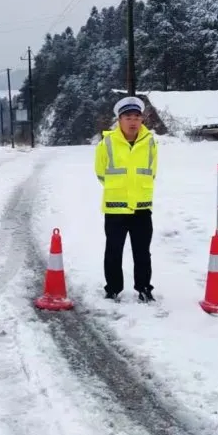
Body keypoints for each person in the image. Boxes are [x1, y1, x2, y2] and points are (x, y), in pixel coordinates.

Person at [94, 95, 158, 303]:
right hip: (115, 208)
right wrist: (119, 189)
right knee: (113, 251)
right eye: (128, 117)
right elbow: (101, 172)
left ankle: (144, 288)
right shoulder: (107, 143)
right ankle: (113, 288)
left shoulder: (150, 142)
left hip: (141, 207)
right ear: (119, 120)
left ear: (142, 119)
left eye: (137, 117)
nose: (133, 121)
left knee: (142, 252)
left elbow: (152, 171)